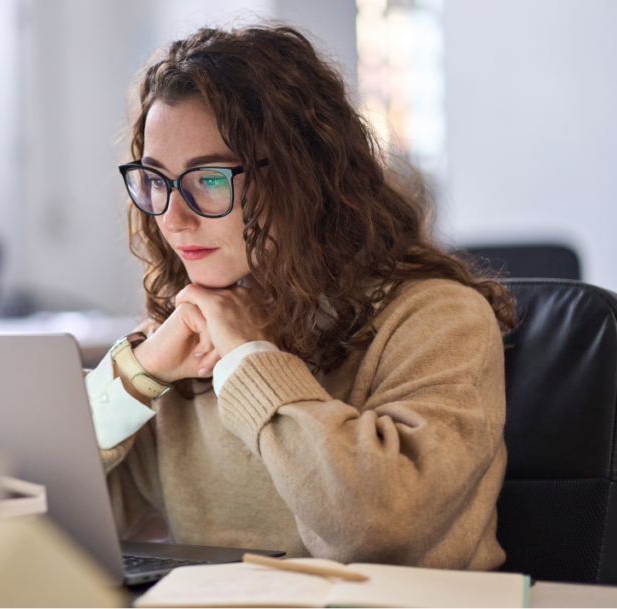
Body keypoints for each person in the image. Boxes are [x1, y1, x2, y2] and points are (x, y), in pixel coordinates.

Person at [82, 24, 516, 570]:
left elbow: (375, 531)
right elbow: (37, 503)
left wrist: (248, 359)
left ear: (302, 177)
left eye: (210, 179)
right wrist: (138, 372)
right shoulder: (185, 336)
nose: (174, 216)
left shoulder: (439, 320)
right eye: (156, 180)